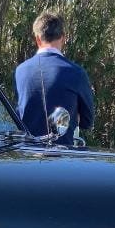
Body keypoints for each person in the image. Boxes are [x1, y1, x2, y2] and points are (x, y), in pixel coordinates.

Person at [15, 10, 94, 145]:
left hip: (27, 152)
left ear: (37, 39)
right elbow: (87, 121)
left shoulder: (20, 71)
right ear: (63, 38)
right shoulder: (76, 73)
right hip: (63, 154)